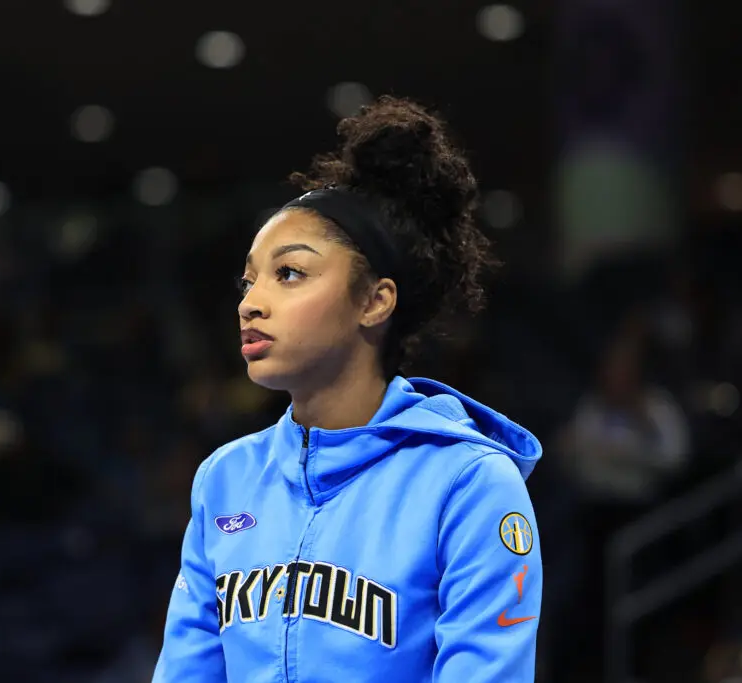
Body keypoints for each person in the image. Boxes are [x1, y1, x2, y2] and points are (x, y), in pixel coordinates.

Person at [152, 96, 544, 682]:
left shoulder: (469, 482)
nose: (250, 302)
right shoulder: (226, 479)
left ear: (374, 300)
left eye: (289, 273)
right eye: (249, 279)